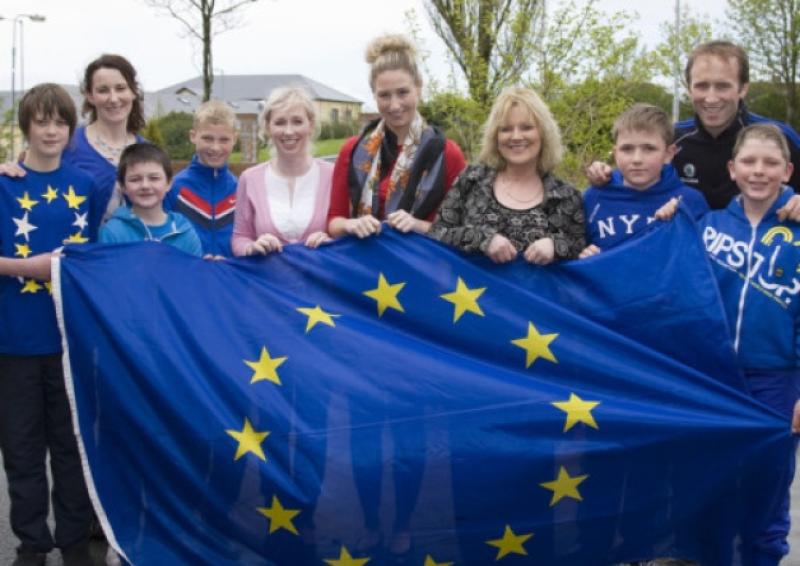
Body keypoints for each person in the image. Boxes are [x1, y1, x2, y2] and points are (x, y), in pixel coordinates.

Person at [658, 123, 800, 565]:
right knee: (710, 483)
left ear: (787, 171)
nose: (759, 171)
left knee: (767, 488)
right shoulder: (707, 227)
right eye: (749, 162)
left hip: (776, 380)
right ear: (732, 169)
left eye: (770, 163)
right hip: (714, 378)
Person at [0, 83, 103, 566]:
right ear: (26, 127)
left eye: (60, 122)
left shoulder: (86, 187)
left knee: (70, 448)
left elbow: (97, 259)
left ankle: (74, 542)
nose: (51, 131)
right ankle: (32, 545)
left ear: (71, 128)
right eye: (41, 121)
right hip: (13, 341)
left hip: (71, 341)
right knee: (21, 451)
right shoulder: (4, 183)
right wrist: (29, 267)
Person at [587, 41, 800, 214]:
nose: (711, 98)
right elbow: (636, 173)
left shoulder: (781, 139)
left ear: (743, 88)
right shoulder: (673, 138)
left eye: (722, 86)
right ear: (689, 88)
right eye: (702, 86)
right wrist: (604, 176)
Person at [327, 34, 466, 239]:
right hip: (363, 257)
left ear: (418, 89)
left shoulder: (447, 154)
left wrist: (417, 225)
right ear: (374, 95)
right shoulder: (353, 151)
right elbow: (333, 222)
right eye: (384, 95)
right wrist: (352, 224)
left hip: (421, 259)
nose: (394, 105)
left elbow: (460, 232)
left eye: (402, 92)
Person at [429, 86, 585, 264]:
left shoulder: (566, 196)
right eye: (506, 129)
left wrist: (555, 245)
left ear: (543, 134)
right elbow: (437, 233)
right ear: (495, 136)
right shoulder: (471, 179)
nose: (516, 136)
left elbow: (581, 249)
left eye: (526, 128)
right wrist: (481, 239)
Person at [0, 54, 146, 221]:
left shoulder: (149, 152)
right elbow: (26, 175)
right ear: (89, 95)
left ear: (134, 91)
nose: (113, 98)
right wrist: (6, 170)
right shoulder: (63, 142)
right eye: (103, 90)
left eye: (120, 88)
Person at [580, 103, 709, 258]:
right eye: (627, 149)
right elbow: (572, 251)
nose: (637, 159)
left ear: (669, 154)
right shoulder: (594, 197)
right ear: (615, 153)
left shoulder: (689, 201)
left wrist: (678, 224)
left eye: (649, 149)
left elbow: (700, 261)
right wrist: (585, 258)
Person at [231, 86, 333, 256]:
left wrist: (331, 243)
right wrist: (252, 247)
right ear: (268, 127)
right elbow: (240, 237)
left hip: (320, 273)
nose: (288, 131)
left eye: (297, 121)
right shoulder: (250, 179)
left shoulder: (333, 175)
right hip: (266, 274)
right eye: (280, 122)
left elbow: (347, 234)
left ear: (311, 125)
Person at [100, 143, 202, 256]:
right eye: (135, 179)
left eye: (154, 178)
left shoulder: (185, 232)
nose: (145, 186)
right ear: (123, 186)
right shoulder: (113, 233)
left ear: (169, 183)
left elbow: (195, 267)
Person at [166, 99, 238, 258]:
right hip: (188, 272)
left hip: (229, 272)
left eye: (224, 139)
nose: (215, 147)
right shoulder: (174, 188)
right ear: (193, 136)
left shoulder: (240, 189)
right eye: (207, 138)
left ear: (235, 139)